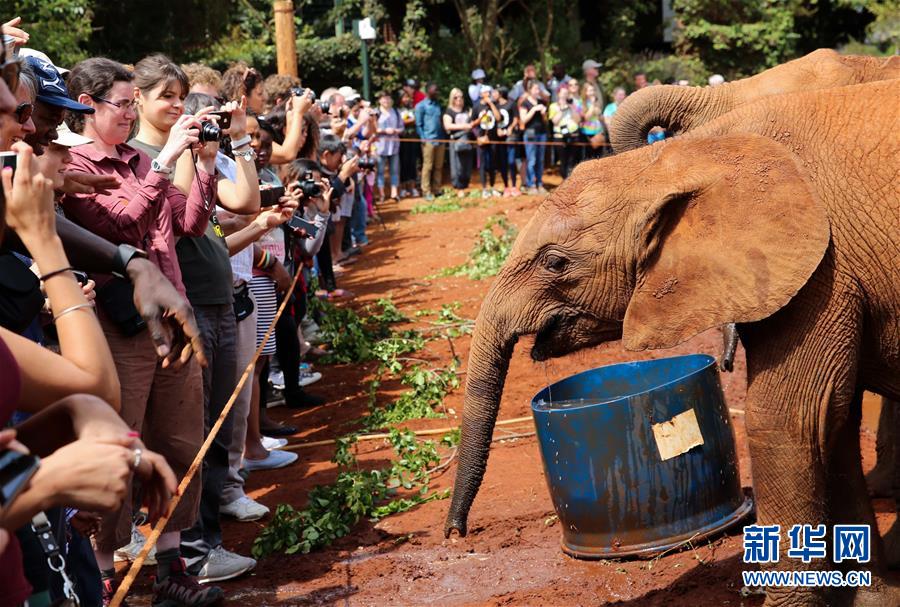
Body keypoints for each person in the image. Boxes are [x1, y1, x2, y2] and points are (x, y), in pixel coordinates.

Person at [60, 56, 222, 606]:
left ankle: (172, 563)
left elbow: (191, 223)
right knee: (119, 442)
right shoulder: (73, 164)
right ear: (87, 105)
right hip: (119, 326)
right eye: (123, 104)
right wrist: (169, 158)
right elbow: (120, 224)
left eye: (134, 104)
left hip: (175, 320)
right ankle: (104, 573)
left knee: (180, 440)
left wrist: (205, 164)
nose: (131, 114)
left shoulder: (139, 159)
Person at [129, 55, 263, 585]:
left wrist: (226, 147)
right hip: (182, 309)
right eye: (166, 96)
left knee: (216, 427)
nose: (177, 107)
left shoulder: (182, 152)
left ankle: (206, 542)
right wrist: (184, 152)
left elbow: (231, 205)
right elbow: (182, 220)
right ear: (136, 98)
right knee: (191, 435)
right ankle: (191, 550)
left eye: (181, 97)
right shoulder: (141, 158)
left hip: (215, 299)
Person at [414, 82, 445, 201]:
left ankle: (437, 189)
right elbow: (418, 124)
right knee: (428, 166)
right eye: (435, 90)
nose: (437, 92)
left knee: (438, 166)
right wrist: (424, 139)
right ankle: (426, 190)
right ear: (428, 91)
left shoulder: (437, 105)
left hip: (440, 139)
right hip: (429, 140)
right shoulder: (420, 106)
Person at [443, 87, 475, 198]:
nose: (459, 99)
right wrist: (464, 126)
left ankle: (465, 186)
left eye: (461, 97)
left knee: (467, 165)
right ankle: (458, 187)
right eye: (456, 97)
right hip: (456, 141)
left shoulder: (466, 110)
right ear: (452, 98)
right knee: (457, 166)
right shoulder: (449, 112)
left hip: (467, 140)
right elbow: (447, 126)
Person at [518, 81, 548, 194]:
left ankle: (539, 183)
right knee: (532, 160)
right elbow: (523, 120)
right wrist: (534, 109)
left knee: (540, 159)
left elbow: (545, 121)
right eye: (535, 89)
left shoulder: (542, 102)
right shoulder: (525, 103)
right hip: (530, 134)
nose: (538, 91)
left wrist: (544, 113)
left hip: (542, 133)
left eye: (538, 89)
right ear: (529, 90)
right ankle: (531, 185)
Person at [471, 86, 501, 198]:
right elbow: (472, 124)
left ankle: (492, 187)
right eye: (486, 92)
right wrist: (478, 137)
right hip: (481, 140)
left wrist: (491, 104)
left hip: (493, 139)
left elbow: (498, 118)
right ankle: (484, 189)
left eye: (489, 92)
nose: (488, 94)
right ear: (481, 94)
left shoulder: (494, 105)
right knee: (483, 164)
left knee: (492, 164)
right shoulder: (476, 107)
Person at [548, 85, 581, 179]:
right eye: (563, 93)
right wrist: (562, 109)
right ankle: (565, 180)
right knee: (563, 160)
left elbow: (578, 120)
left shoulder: (573, 105)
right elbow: (555, 121)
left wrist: (571, 108)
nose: (565, 95)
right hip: (560, 136)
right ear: (558, 94)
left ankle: (571, 181)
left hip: (573, 135)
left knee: (572, 161)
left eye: (566, 93)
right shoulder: (553, 106)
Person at [374, 90, 401, 202]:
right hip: (381, 146)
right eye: (384, 98)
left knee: (394, 170)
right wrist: (384, 130)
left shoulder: (396, 112)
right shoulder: (376, 112)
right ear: (380, 100)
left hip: (394, 146)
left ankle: (394, 193)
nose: (386, 100)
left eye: (388, 98)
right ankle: (382, 194)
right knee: (380, 171)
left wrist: (395, 130)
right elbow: (373, 129)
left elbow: (401, 127)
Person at [492, 86, 518, 197]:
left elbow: (516, 118)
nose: (493, 94)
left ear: (501, 93)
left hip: (510, 137)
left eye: (495, 92)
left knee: (511, 162)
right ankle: (506, 186)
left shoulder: (512, 104)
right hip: (500, 139)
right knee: (503, 163)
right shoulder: (495, 106)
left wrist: (511, 128)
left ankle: (514, 186)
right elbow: (495, 120)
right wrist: (497, 130)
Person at [397, 89, 419, 198]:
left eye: (408, 97)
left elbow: (417, 120)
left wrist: (408, 121)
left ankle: (413, 187)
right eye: (404, 97)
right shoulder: (397, 111)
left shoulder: (413, 109)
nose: (406, 99)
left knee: (413, 163)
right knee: (403, 164)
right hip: (402, 140)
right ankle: (403, 188)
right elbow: (400, 122)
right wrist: (409, 121)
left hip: (413, 139)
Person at [580, 82, 605, 160]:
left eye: (593, 90)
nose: (592, 92)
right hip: (587, 134)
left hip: (598, 132)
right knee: (588, 158)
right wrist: (593, 104)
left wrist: (600, 115)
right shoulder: (582, 103)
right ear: (585, 92)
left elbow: (601, 118)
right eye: (590, 90)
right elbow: (586, 117)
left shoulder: (597, 103)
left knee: (599, 158)